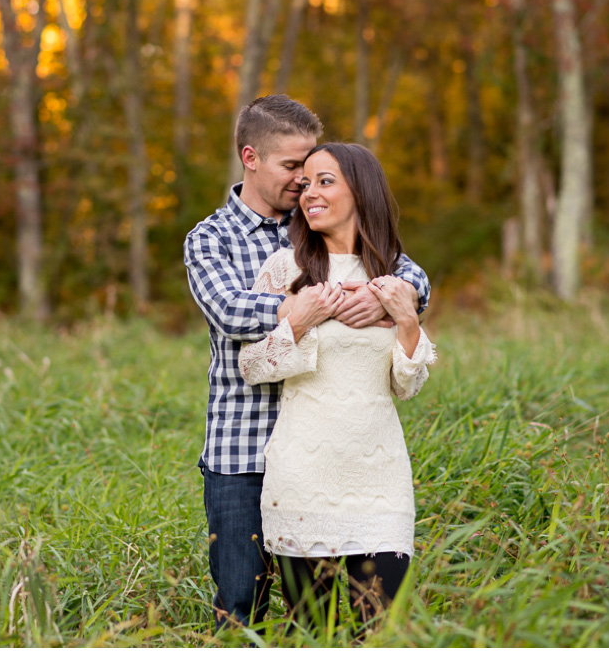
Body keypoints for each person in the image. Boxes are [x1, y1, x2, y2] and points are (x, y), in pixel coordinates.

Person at [184, 96, 430, 629]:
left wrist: (397, 295)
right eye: (293, 166)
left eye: (312, 168)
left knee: (363, 620)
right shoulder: (212, 238)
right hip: (245, 448)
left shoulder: (318, 216)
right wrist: (309, 307)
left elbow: (405, 271)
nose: (303, 181)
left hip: (343, 450)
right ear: (251, 157)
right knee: (243, 607)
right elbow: (228, 311)